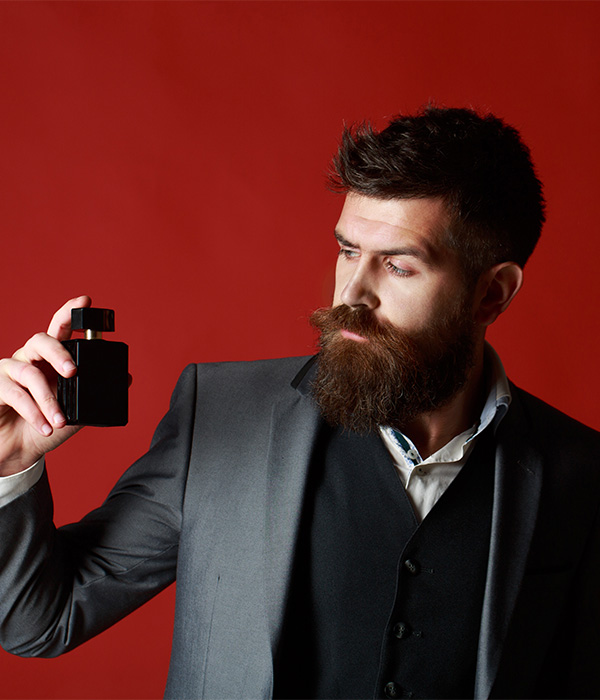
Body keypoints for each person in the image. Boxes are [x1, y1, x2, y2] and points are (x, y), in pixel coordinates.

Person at [0, 107, 598, 700]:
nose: (352, 295)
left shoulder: (579, 473)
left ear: (492, 293)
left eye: (397, 266)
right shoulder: (221, 417)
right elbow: (41, 622)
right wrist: (9, 462)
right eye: (347, 251)